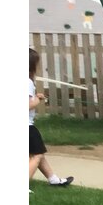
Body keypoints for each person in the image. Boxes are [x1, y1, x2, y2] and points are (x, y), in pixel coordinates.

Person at [28, 48, 73, 188]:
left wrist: (35, 97)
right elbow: (28, 105)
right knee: (37, 155)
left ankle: (53, 179)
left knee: (38, 153)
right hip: (27, 127)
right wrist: (37, 99)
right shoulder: (27, 82)